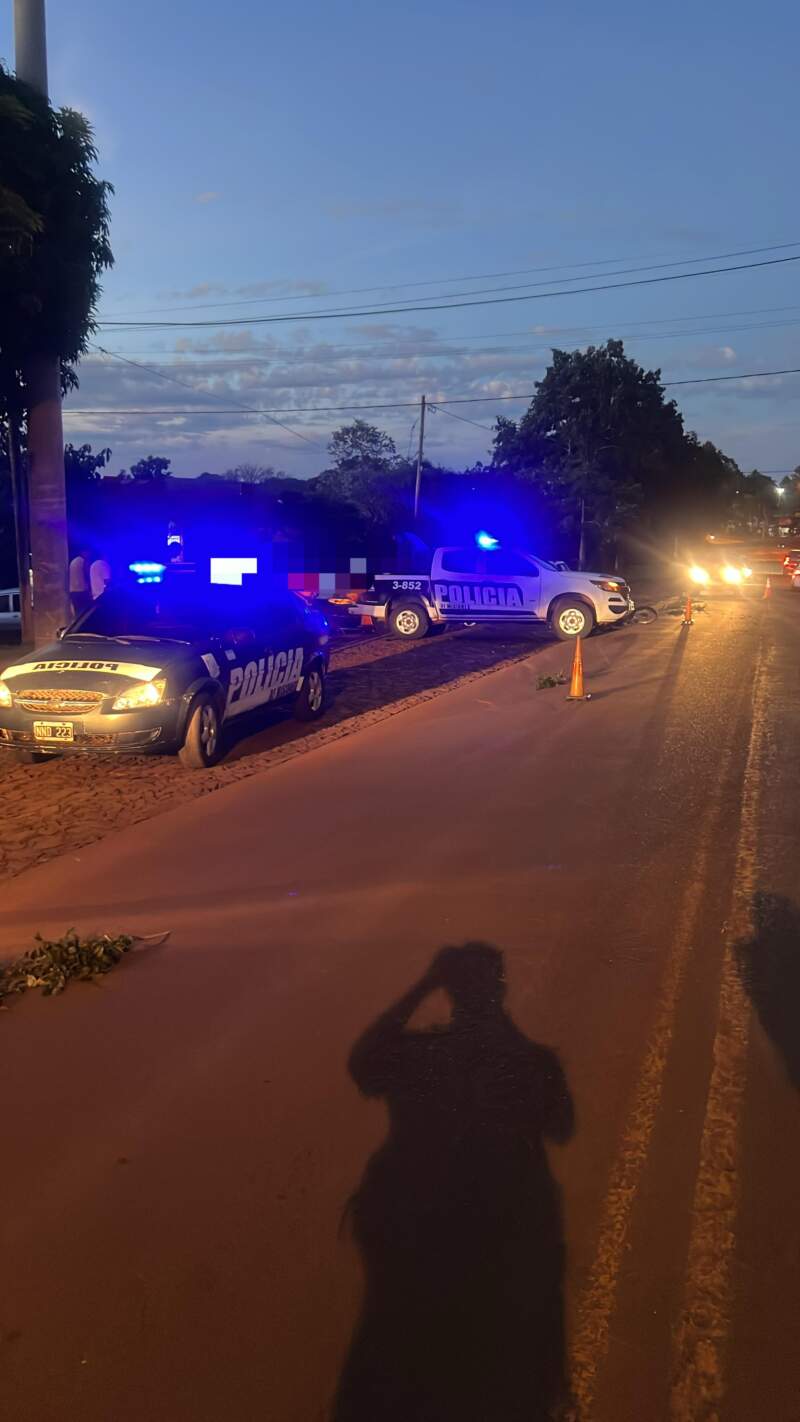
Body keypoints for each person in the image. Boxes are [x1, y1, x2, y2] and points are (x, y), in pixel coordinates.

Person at [68, 547, 93, 618]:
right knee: (85, 614)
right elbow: (86, 575)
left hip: (73, 591)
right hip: (81, 591)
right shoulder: (82, 561)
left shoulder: (74, 561)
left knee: (78, 614)